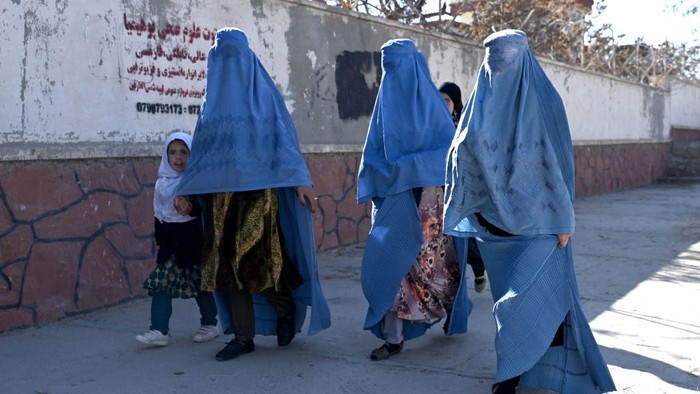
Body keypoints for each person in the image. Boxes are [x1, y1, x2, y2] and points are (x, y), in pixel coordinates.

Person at [443, 30, 616, 393]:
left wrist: (564, 219)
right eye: (493, 59)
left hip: (540, 227)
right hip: (494, 230)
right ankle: (530, 372)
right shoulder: (478, 105)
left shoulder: (546, 103)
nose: (499, 66)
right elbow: (460, 157)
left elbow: (561, 165)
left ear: (523, 58)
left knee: (520, 308)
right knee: (510, 306)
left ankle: (509, 379)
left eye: (507, 57)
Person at [176, 28, 331, 362]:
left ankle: (284, 307)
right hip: (219, 199)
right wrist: (185, 190)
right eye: (221, 55)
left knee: (254, 263)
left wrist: (301, 180)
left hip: (258, 196)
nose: (228, 63)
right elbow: (201, 152)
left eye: (233, 55)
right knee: (226, 268)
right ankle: (243, 337)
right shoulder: (210, 106)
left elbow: (284, 141)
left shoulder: (264, 98)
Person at [358, 38, 472, 361]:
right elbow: (374, 158)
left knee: (436, 274)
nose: (395, 77)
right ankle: (393, 339)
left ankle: (454, 308)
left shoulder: (433, 109)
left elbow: (447, 156)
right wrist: (386, 180)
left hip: (431, 210)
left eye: (400, 68)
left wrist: (408, 168)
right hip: (396, 205)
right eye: (388, 70)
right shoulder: (384, 109)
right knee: (392, 268)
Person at [135, 131, 220, 347]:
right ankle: (159, 330)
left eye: (184, 152)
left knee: (199, 283)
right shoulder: (161, 183)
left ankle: (210, 323)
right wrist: (161, 239)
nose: (178, 157)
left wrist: (190, 207)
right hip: (170, 242)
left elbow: (203, 208)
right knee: (161, 283)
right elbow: (158, 214)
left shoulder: (194, 180)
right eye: (173, 152)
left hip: (191, 241)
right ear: (166, 156)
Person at [438, 81, 488, 294]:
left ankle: (478, 267)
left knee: (464, 236)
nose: (442, 104)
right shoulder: (433, 124)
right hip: (439, 189)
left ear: (455, 103)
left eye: (447, 100)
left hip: (461, 189)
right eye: (439, 99)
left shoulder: (462, 127)